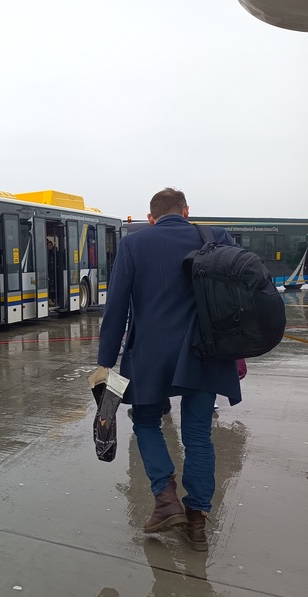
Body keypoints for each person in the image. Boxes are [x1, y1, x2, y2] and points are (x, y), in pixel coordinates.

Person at [96, 188, 243, 552]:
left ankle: (165, 498)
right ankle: (196, 521)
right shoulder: (215, 238)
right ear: (186, 211)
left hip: (150, 354)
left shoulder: (134, 244)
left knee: (146, 422)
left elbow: (117, 307)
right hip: (205, 352)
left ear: (151, 218)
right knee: (198, 434)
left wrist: (105, 362)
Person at [47, 240, 58, 306]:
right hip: (48, 272)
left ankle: (54, 299)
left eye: (51, 245)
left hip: (54, 272)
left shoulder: (54, 253)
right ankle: (50, 300)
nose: (50, 246)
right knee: (50, 286)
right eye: (48, 245)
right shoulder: (46, 253)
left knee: (53, 286)